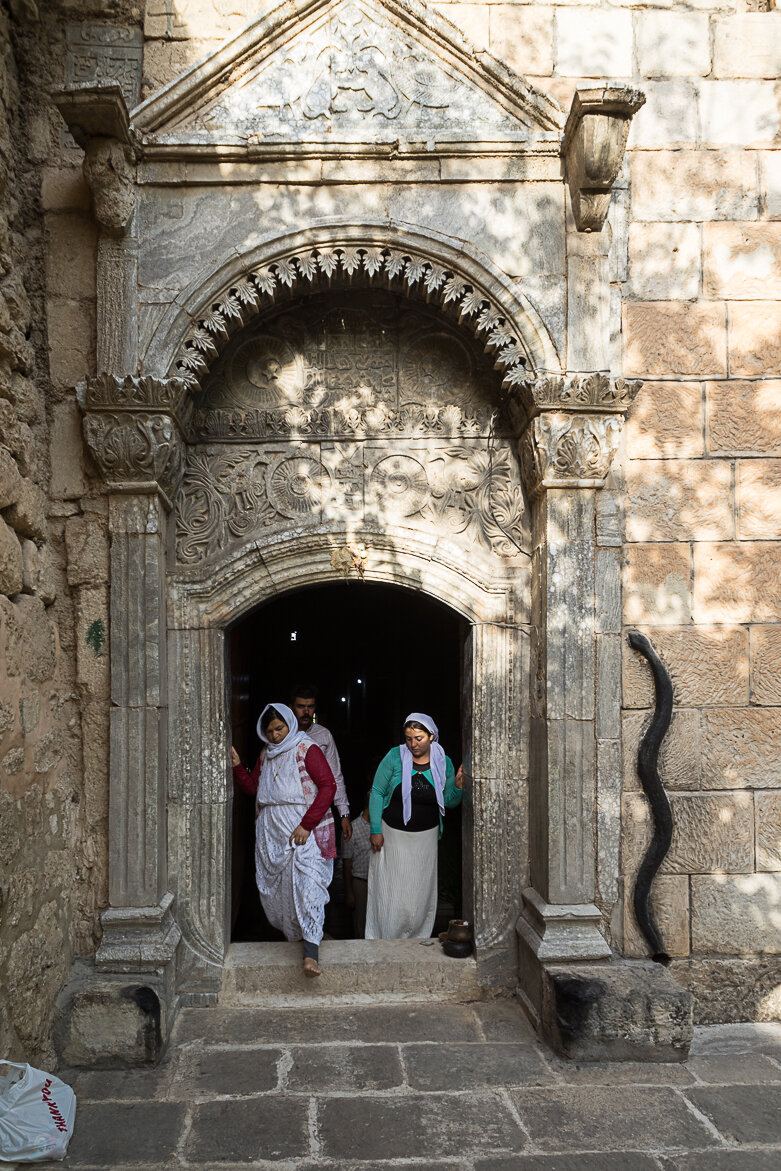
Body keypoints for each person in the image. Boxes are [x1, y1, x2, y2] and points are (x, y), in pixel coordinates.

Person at [231, 702, 336, 976]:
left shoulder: (306, 748)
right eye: (270, 731)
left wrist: (306, 824)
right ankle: (307, 938)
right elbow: (254, 787)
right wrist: (238, 766)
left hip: (303, 829)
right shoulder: (267, 754)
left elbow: (328, 786)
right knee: (285, 894)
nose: (276, 735)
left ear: (289, 724)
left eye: (280, 728)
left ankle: (311, 954)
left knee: (309, 886)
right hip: (273, 833)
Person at [365, 712, 465, 940]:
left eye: (418, 738)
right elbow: (378, 792)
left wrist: (458, 787)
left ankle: (417, 938)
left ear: (431, 736)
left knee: (418, 893)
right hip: (392, 836)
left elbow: (448, 801)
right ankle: (385, 938)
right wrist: (375, 830)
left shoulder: (443, 762)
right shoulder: (394, 757)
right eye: (409, 738)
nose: (413, 744)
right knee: (392, 892)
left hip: (425, 839)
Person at [291, 685, 352, 843]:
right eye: (301, 707)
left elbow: (335, 775)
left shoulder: (323, 735)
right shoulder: (281, 735)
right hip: (288, 808)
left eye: (310, 707)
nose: (306, 712)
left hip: (317, 808)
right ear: (291, 707)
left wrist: (344, 814)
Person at [342, 791, 372, 938]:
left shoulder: (384, 827)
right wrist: (349, 893)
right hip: (360, 883)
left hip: (379, 882)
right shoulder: (352, 828)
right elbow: (346, 864)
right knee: (361, 924)